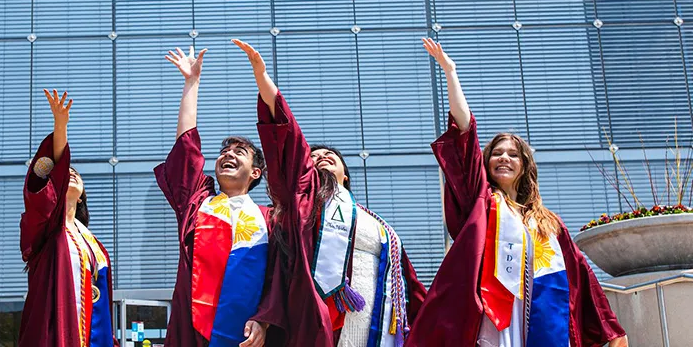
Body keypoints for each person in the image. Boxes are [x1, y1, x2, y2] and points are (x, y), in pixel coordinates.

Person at [407, 38, 627, 347]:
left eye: (512, 154)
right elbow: (465, 131)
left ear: (524, 166)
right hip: (494, 316)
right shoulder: (482, 202)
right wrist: (450, 71)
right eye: (497, 153)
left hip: (540, 314)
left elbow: (581, 278)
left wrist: (612, 328)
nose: (504, 158)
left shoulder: (548, 223)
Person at [233, 39, 425, 347]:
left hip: (375, 320)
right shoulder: (303, 200)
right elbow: (289, 136)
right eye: (314, 155)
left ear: (345, 176)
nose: (321, 157)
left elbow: (407, 281)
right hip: (321, 318)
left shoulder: (375, 223)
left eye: (330, 156)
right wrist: (262, 78)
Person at [155, 47, 280, 346]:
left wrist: (265, 320)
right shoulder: (199, 203)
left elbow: (279, 279)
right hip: (194, 330)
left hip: (247, 335)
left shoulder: (271, 218)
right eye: (225, 151)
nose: (228, 155)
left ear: (256, 173)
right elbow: (186, 150)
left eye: (240, 152)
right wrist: (191, 84)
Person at [20, 90, 115, 347]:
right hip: (56, 334)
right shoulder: (46, 225)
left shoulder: (93, 243)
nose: (71, 174)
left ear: (83, 195)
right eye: (66, 173)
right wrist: (60, 126)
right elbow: (51, 172)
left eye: (77, 175)